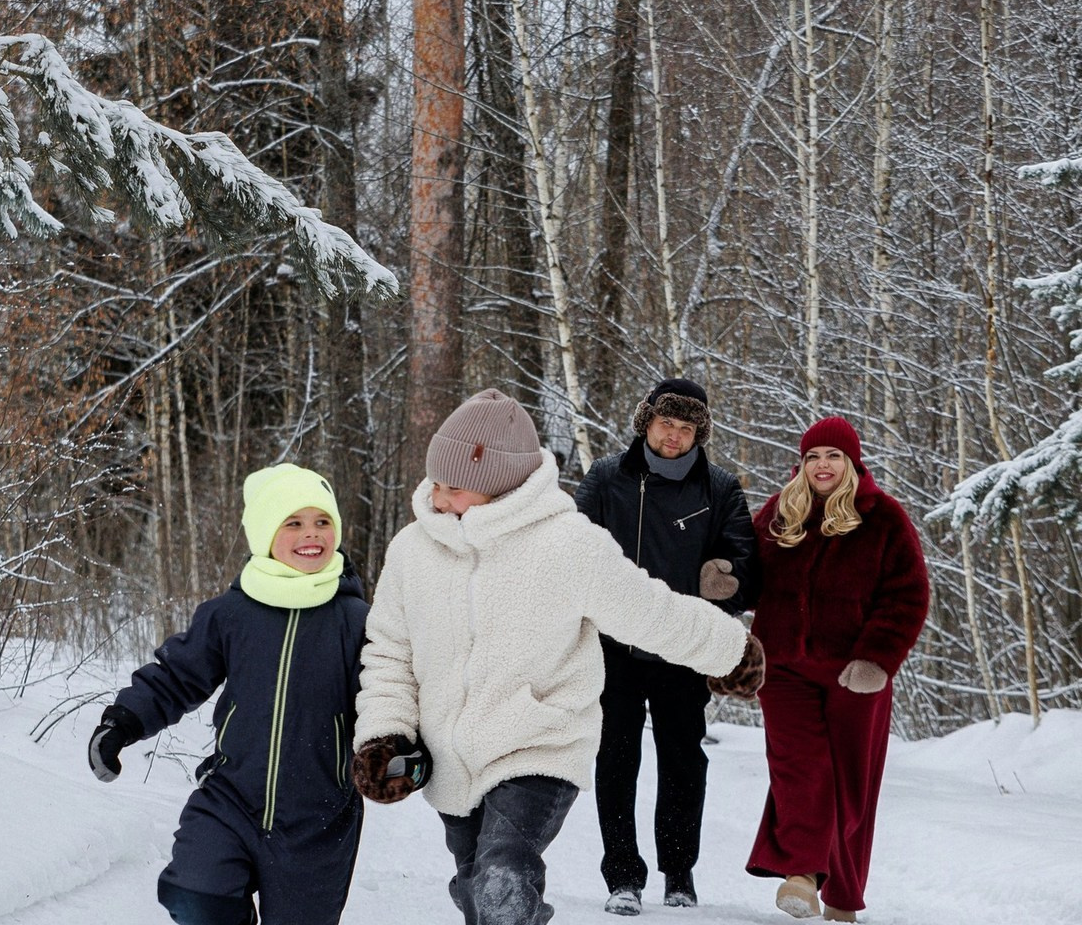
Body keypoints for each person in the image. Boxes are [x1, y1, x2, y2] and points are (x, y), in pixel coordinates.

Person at [350, 388, 766, 925]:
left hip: (538, 743)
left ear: (499, 484)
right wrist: (386, 734)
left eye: (455, 488)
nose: (439, 499)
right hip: (450, 758)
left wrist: (728, 649)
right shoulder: (413, 549)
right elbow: (390, 651)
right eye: (436, 484)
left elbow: (647, 609)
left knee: (504, 878)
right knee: (476, 883)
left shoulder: (565, 544)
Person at [86, 464, 370, 925]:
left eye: (322, 521)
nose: (311, 534)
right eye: (293, 523)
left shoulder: (356, 620)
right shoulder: (232, 613)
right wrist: (123, 722)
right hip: (231, 798)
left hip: (317, 820)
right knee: (195, 893)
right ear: (265, 534)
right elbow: (177, 675)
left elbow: (384, 698)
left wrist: (399, 746)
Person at [575, 377, 759, 913]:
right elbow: (573, 549)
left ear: (698, 434)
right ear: (646, 423)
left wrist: (723, 581)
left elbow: (745, 563)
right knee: (616, 758)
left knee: (682, 760)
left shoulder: (719, 487)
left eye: (685, 428)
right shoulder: (608, 477)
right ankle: (622, 877)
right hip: (615, 646)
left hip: (684, 646)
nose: (673, 436)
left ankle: (679, 874)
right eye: (665, 424)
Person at [746, 417, 929, 924]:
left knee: (852, 782)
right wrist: (724, 580)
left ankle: (843, 898)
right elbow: (747, 571)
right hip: (783, 667)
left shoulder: (884, 518)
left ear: (851, 463)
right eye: (812, 457)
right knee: (798, 766)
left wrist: (876, 658)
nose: (821, 466)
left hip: (855, 673)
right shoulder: (781, 513)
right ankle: (801, 874)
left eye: (832, 456)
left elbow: (908, 594)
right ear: (801, 465)